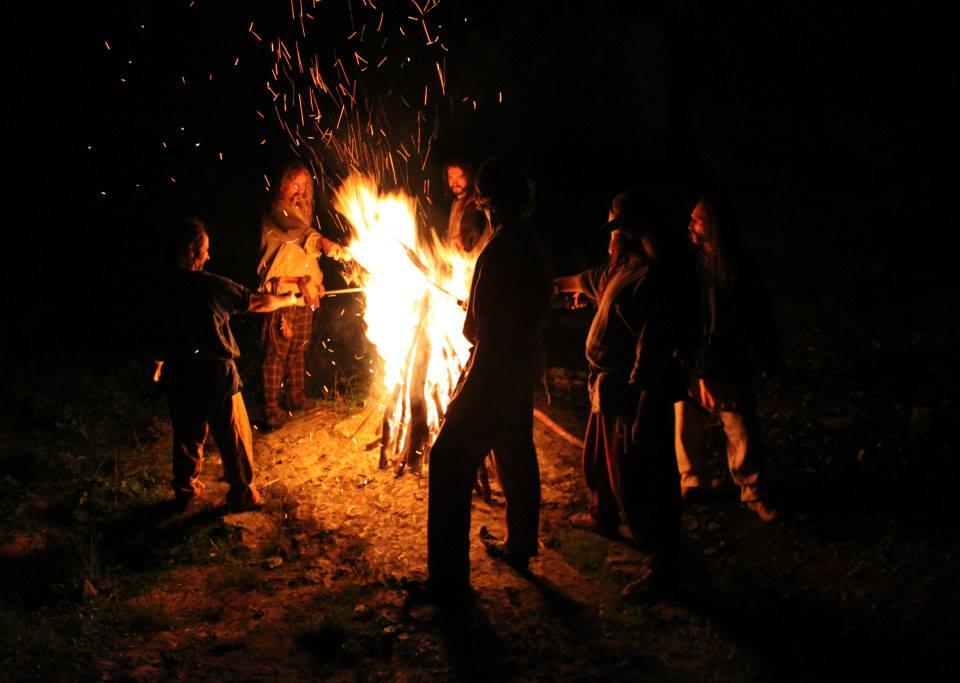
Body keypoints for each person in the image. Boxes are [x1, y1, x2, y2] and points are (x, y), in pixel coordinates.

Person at [555, 191, 698, 595]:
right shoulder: (621, 270)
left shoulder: (651, 280)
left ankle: (662, 566)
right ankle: (604, 515)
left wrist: (642, 408)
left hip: (633, 393)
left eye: (614, 232)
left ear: (630, 235)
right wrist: (546, 291)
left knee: (641, 480)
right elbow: (583, 281)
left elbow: (652, 352)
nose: (608, 240)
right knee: (600, 462)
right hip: (608, 388)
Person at [425, 157, 553, 602]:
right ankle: (520, 545)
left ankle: (447, 581)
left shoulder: (499, 248)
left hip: (494, 369)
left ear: (486, 200)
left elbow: (475, 330)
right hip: (522, 366)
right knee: (516, 451)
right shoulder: (532, 242)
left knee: (446, 461)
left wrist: (473, 314)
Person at [150, 218, 304, 511]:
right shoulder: (209, 286)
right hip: (214, 372)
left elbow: (158, 331)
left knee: (186, 435)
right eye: (205, 250)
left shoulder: (164, 288)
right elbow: (256, 302)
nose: (209, 256)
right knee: (234, 435)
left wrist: (158, 361)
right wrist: (289, 300)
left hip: (179, 372)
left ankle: (185, 490)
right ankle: (243, 493)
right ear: (193, 252)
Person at [674, 193, 781, 522]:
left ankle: (752, 489)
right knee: (686, 421)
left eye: (697, 220)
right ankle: (692, 480)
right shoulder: (687, 265)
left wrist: (767, 358)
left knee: (739, 425)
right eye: (691, 219)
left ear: (714, 227)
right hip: (692, 357)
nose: (690, 226)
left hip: (729, 357)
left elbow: (759, 315)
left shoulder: (739, 267)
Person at [257, 161, 346, 429]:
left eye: (305, 187)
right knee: (276, 352)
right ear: (284, 185)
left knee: (298, 349)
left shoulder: (304, 219)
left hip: (303, 295)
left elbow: (307, 259)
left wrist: (317, 282)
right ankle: (270, 409)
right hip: (281, 294)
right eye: (295, 185)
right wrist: (323, 242)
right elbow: (297, 235)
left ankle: (295, 397)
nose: (300, 192)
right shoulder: (276, 213)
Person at [444, 159, 491, 254]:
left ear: (469, 176)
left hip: (472, 263)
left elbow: (473, 223)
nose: (455, 183)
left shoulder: (475, 201)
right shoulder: (456, 202)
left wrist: (464, 237)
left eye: (459, 177)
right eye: (451, 178)